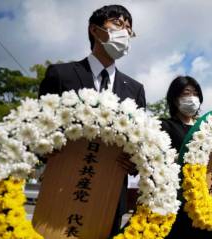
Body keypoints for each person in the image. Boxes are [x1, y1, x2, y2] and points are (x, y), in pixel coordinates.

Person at [38, 5, 146, 236]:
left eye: (129, 28)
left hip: (110, 194)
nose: (125, 32)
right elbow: (38, 129)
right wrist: (44, 150)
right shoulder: (61, 74)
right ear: (95, 30)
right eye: (118, 24)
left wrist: (135, 160)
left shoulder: (135, 89)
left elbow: (140, 143)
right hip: (61, 188)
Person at [160, 76, 212, 239]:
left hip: (202, 199)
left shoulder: (206, 128)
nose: (192, 98)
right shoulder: (165, 125)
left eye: (195, 93)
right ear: (175, 99)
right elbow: (159, 159)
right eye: (186, 93)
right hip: (176, 200)